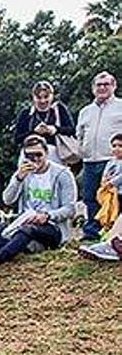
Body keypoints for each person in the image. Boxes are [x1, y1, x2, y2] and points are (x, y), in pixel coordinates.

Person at [0, 135, 76, 274]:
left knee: (26, 230)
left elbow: (70, 209)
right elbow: (7, 200)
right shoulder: (23, 173)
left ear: (47, 153)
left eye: (38, 154)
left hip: (51, 227)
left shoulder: (63, 174)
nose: (35, 159)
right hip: (22, 219)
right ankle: (25, 246)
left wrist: (47, 215)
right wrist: (18, 179)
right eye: (29, 155)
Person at [76, 71, 122, 242]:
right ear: (93, 88)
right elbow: (79, 134)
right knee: (90, 197)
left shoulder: (120, 106)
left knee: (112, 197)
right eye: (99, 85)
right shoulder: (85, 111)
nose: (102, 88)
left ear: (114, 86)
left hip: (113, 160)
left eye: (106, 84)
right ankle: (91, 231)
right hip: (89, 160)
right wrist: (82, 150)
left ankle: (113, 232)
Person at [78, 133, 122, 260]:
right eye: (114, 146)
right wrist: (105, 183)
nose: (117, 149)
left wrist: (111, 182)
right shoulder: (111, 162)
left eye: (120, 146)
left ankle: (111, 244)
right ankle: (110, 243)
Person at [12, 81, 76, 165]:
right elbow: (17, 139)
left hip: (55, 154)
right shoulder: (26, 113)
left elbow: (72, 130)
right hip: (30, 154)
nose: (42, 101)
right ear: (33, 97)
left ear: (52, 96)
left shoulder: (59, 109)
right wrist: (34, 132)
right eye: (39, 97)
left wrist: (55, 129)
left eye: (46, 97)